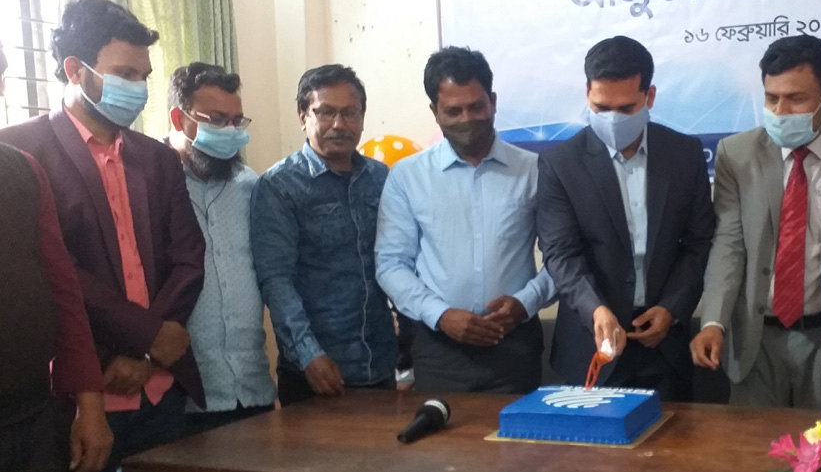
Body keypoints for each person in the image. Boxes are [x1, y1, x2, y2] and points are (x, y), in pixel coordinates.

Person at [0, 0, 206, 471]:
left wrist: (149, 354)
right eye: (125, 74)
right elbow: (57, 272)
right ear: (75, 70)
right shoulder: (16, 154)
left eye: (144, 77)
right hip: (81, 398)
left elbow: (189, 258)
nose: (138, 89)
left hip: (160, 389)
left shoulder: (158, 158)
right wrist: (145, 335)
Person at [690, 36, 821, 409]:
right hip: (756, 337)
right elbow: (729, 244)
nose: (780, 111)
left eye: (796, 99)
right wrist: (713, 321)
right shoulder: (737, 154)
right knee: (752, 441)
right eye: (771, 98)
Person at [0, 6, 112, 471]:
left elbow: (64, 294)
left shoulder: (22, 172)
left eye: (1, 73)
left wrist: (90, 405)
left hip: (31, 420)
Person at [538, 35, 715, 401]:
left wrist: (672, 309)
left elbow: (699, 243)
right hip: (592, 346)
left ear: (650, 97)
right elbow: (560, 253)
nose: (612, 119)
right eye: (601, 107)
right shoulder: (561, 163)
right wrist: (596, 310)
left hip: (666, 349)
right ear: (587, 92)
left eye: (626, 108)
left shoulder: (683, 154)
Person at [376, 47, 556, 393]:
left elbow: (563, 257)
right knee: (441, 431)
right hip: (439, 351)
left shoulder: (535, 170)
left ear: (493, 102)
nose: (466, 119)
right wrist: (441, 315)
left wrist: (525, 303)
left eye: (476, 107)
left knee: (516, 431)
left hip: (515, 347)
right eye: (453, 111)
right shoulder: (407, 176)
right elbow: (391, 264)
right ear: (435, 112)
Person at [252, 64, 399, 405]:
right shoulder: (279, 186)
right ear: (303, 116)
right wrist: (308, 355)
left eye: (350, 113)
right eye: (326, 112)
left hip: (381, 363)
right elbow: (277, 280)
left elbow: (399, 261)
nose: (339, 124)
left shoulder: (381, 178)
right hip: (316, 373)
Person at [165, 63, 276, 435]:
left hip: (252, 389)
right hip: (182, 397)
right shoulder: (153, 184)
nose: (229, 131)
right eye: (216, 120)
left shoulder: (249, 186)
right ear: (179, 118)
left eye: (236, 121)